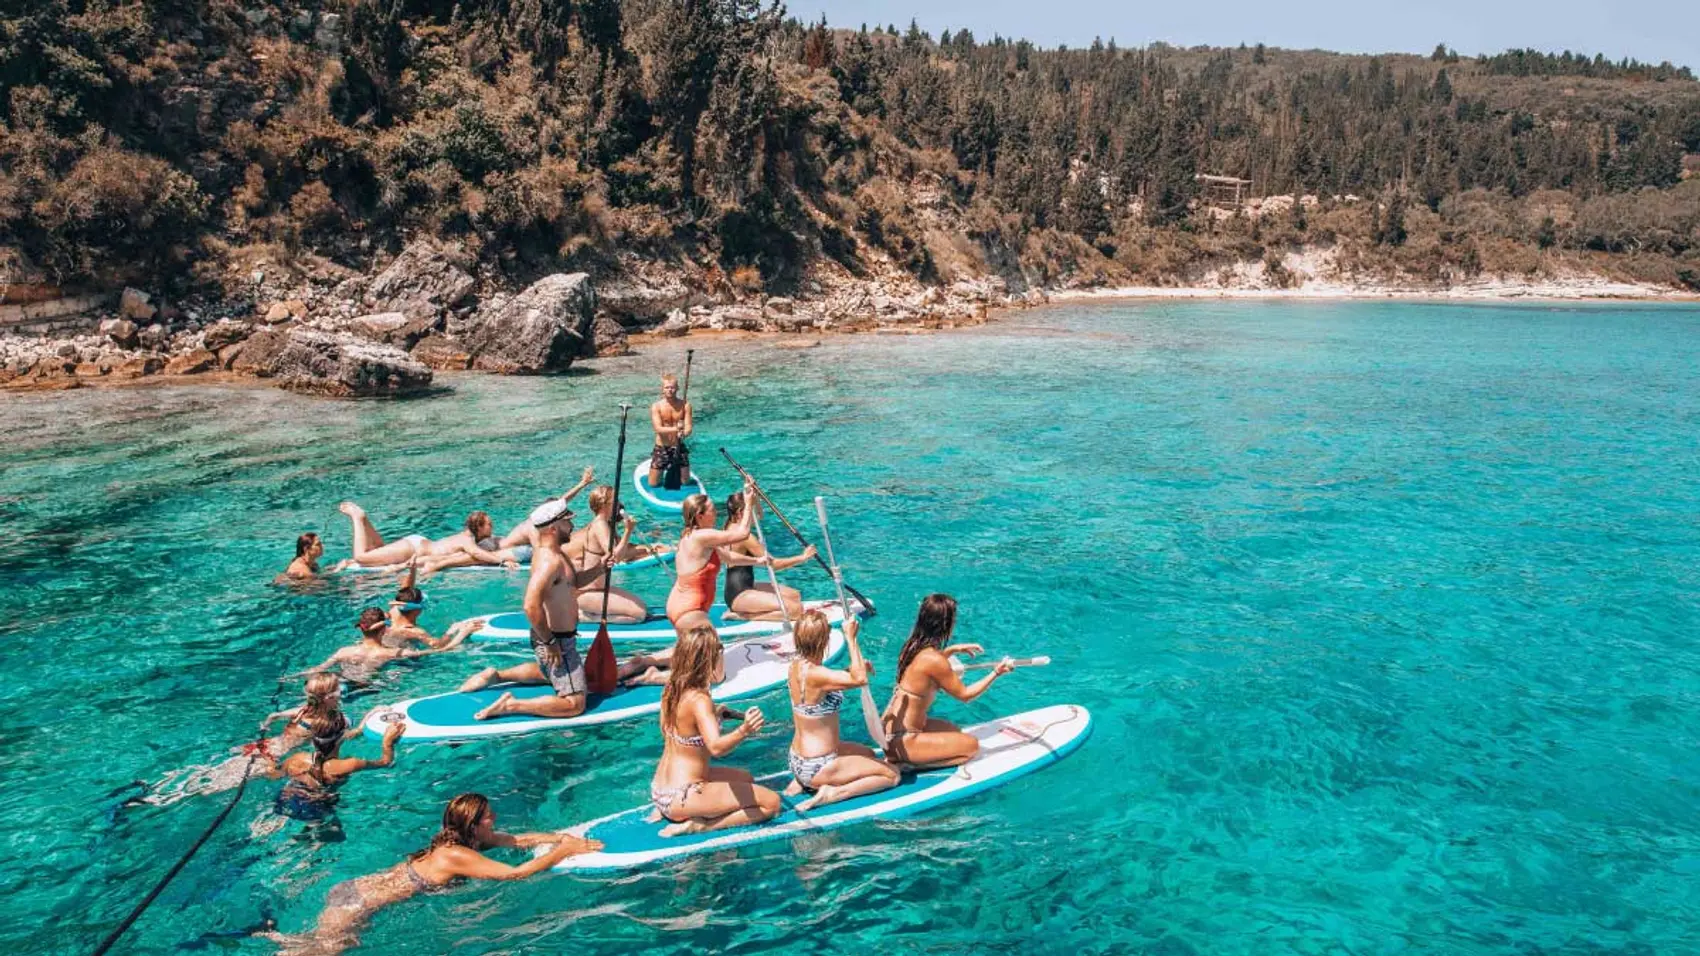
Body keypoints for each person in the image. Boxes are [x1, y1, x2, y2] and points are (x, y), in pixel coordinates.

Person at [262, 793, 601, 955]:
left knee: (319, 945)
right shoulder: (456, 854)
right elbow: (515, 874)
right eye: (488, 816)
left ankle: (279, 941)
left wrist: (558, 836)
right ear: (472, 824)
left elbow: (517, 841)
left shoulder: (463, 840)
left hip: (353, 891)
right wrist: (564, 851)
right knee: (327, 951)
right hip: (357, 903)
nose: (494, 818)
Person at [458, 500, 613, 721]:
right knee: (575, 704)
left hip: (557, 639)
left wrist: (600, 567)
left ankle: (496, 675)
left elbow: (574, 581)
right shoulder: (548, 561)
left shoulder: (557, 554)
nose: (572, 525)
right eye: (567, 522)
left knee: (549, 672)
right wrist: (550, 643)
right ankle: (511, 705)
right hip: (555, 641)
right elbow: (530, 605)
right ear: (552, 528)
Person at [133, 674, 354, 806]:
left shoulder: (305, 710)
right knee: (215, 786)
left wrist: (265, 725)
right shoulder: (331, 721)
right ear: (330, 698)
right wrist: (362, 726)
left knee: (212, 773)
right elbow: (337, 740)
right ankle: (159, 800)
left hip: (261, 747)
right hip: (269, 757)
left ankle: (157, 789)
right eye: (338, 691)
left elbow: (273, 716)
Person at [649, 625, 779, 837]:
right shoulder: (700, 700)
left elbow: (671, 731)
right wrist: (744, 730)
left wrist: (714, 716)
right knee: (771, 803)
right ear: (708, 659)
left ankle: (672, 811)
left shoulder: (671, 688)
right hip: (683, 795)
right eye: (720, 649)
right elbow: (717, 748)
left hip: (660, 790)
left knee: (745, 778)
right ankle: (702, 825)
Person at [881, 594, 1016, 769]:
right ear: (946, 624)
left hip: (891, 735)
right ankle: (908, 764)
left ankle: (906, 756)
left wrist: (951, 650)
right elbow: (965, 695)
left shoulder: (912, 648)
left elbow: (925, 669)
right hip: (904, 741)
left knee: (953, 731)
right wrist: (997, 672)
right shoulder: (935, 661)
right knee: (971, 746)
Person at [784, 613, 898, 811]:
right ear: (824, 640)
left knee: (869, 754)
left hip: (797, 759)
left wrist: (849, 670)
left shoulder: (795, 667)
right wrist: (851, 638)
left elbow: (821, 688)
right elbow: (860, 679)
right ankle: (832, 793)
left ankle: (803, 783)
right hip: (819, 764)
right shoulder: (818, 674)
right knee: (892, 775)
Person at [664, 485, 765, 629]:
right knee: (711, 651)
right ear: (700, 516)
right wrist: (748, 503)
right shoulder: (702, 536)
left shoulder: (694, 537)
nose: (717, 513)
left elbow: (728, 557)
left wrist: (757, 561)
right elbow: (742, 534)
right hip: (690, 610)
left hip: (683, 606)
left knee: (692, 651)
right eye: (712, 510)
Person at [274, 711, 404, 821]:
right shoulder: (349, 764)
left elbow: (275, 775)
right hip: (316, 807)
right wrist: (387, 741)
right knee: (331, 835)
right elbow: (386, 762)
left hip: (285, 798)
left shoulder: (296, 759)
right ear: (342, 737)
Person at [298, 608, 476, 682]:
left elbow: (317, 669)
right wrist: (459, 632)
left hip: (339, 681)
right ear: (384, 631)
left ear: (361, 629)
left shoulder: (344, 651)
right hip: (365, 688)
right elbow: (442, 651)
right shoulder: (391, 653)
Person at [718, 493, 816, 621]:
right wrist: (803, 557)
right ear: (741, 513)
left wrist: (755, 496)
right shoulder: (745, 537)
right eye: (751, 509)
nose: (754, 514)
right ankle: (744, 616)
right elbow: (773, 564)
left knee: (795, 595)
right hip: (739, 595)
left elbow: (759, 515)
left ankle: (743, 611)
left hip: (746, 585)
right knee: (796, 610)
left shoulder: (729, 526)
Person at [335, 503, 515, 569]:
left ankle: (365, 522)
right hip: (412, 548)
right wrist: (501, 561)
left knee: (376, 551)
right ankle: (358, 518)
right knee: (362, 557)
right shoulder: (466, 540)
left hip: (416, 545)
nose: (492, 527)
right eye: (489, 525)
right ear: (480, 527)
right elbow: (478, 554)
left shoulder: (470, 538)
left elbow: (494, 543)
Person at [572, 485, 648, 625]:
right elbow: (615, 558)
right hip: (587, 592)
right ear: (605, 504)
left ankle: (590, 611)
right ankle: (586, 616)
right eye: (615, 500)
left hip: (599, 589)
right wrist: (628, 531)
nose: (619, 504)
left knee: (643, 608)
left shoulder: (606, 524)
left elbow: (623, 555)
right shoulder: (600, 525)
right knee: (639, 615)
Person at [647, 372, 694, 488]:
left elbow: (688, 428)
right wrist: (676, 429)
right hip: (662, 447)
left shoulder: (685, 405)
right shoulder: (656, 406)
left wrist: (684, 433)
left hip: (678, 446)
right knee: (653, 484)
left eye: (672, 387)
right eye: (667, 387)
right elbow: (658, 429)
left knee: (685, 483)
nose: (670, 390)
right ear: (662, 389)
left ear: (677, 388)